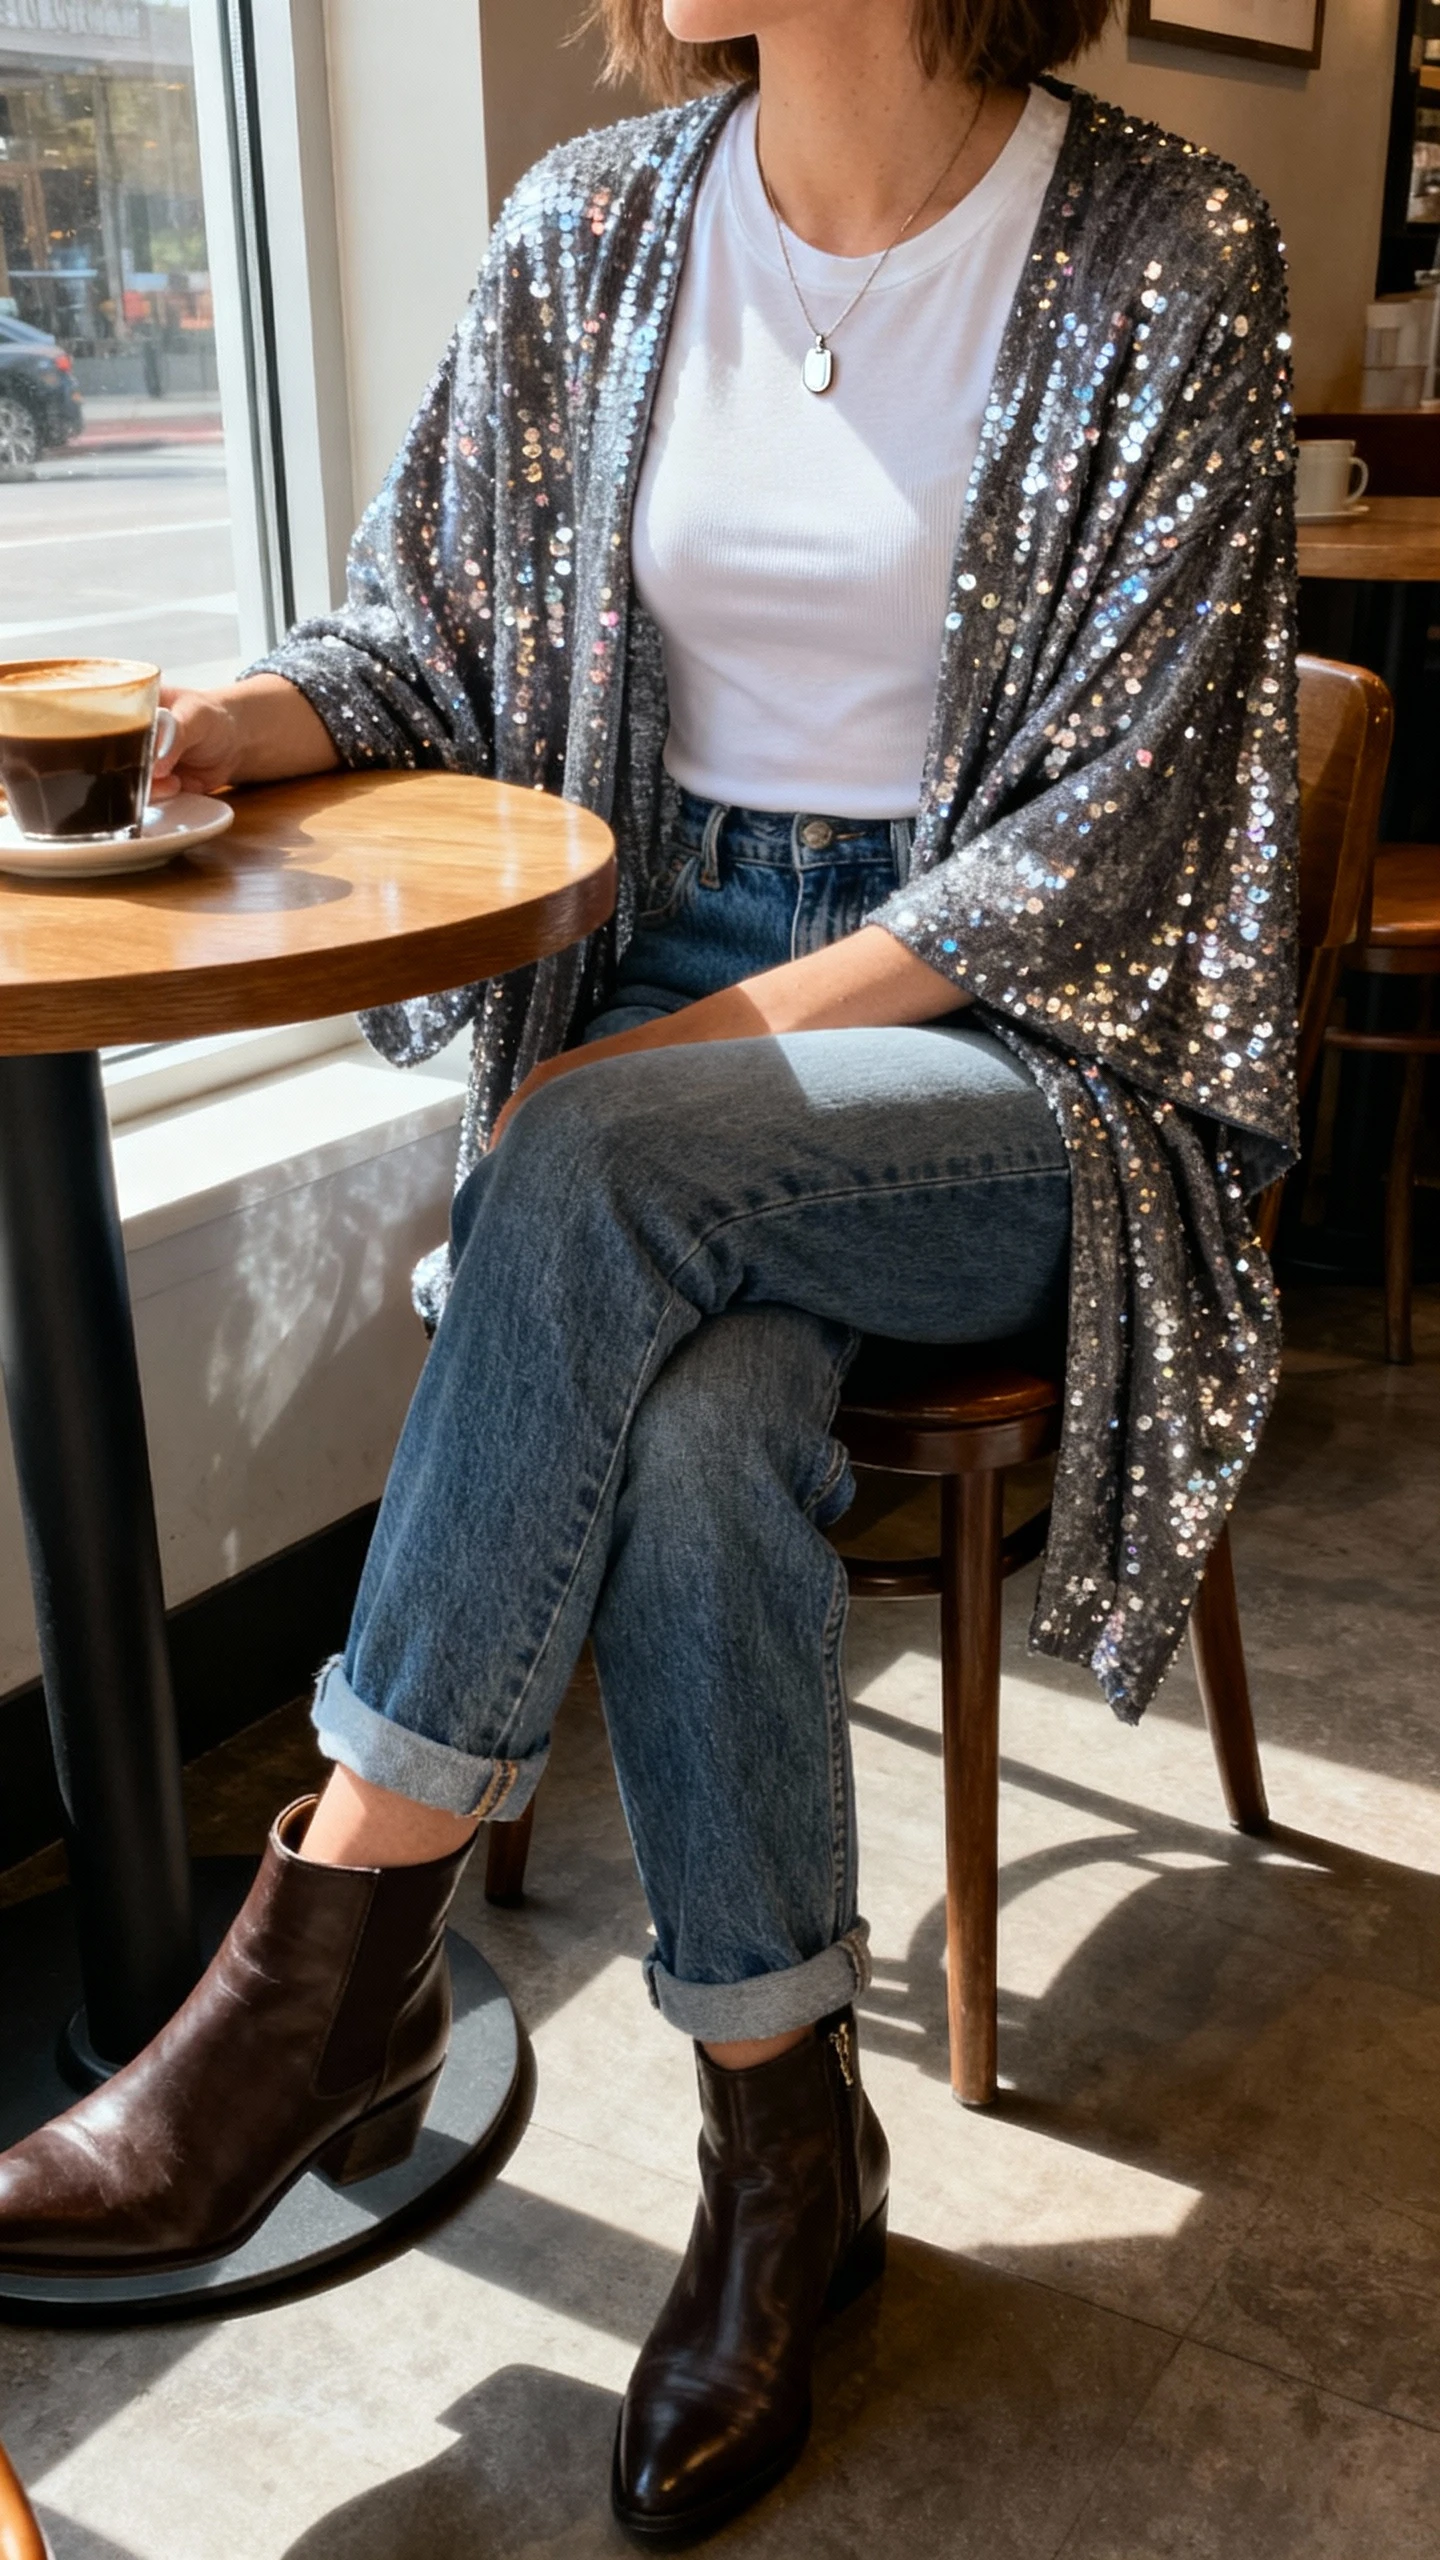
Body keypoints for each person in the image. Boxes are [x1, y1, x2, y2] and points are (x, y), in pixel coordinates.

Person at [0, 0, 1298, 2540]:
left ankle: (309, 1990)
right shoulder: (588, 231)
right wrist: (223, 722)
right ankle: (785, 2166)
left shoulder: (1177, 251)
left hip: (1009, 1057)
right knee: (699, 1424)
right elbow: (425, 642)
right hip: (674, 1023)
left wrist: (687, 1047)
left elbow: (1119, 837)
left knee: (591, 1168)